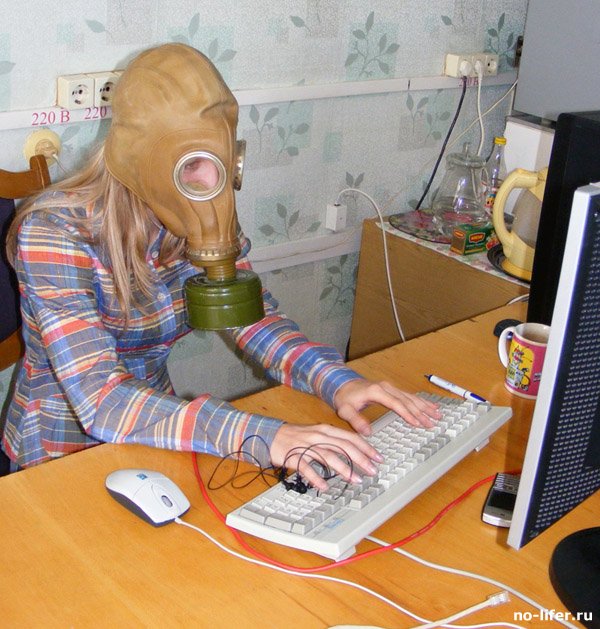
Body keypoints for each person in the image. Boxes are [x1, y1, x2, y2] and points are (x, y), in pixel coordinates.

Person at [1, 43, 440, 488]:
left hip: (155, 433)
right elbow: (101, 399)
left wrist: (335, 381)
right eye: (192, 163)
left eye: (221, 159)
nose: (212, 183)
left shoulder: (202, 204)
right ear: (138, 159)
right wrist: (265, 436)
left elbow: (253, 320)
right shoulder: (54, 234)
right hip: (59, 455)